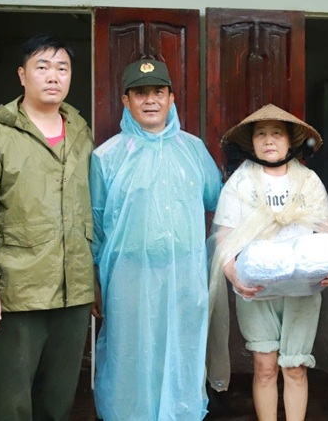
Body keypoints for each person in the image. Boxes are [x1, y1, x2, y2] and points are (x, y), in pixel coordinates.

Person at [0, 34, 95, 420]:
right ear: (22, 75)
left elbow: (93, 209)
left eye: (62, 68)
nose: (53, 76)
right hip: (16, 291)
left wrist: (94, 279)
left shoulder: (80, 132)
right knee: (14, 400)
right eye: (42, 67)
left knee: (59, 398)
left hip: (74, 290)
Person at [206, 104, 328, 421]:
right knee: (265, 367)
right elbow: (224, 237)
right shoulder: (240, 183)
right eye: (261, 134)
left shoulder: (307, 181)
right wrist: (232, 274)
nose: (269, 140)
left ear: (290, 141)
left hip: (303, 289)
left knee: (296, 367)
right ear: (252, 142)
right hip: (257, 289)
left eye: (277, 133)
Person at [90, 59, 222, 420]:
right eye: (140, 93)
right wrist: (93, 281)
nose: (150, 100)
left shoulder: (193, 150)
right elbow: (95, 225)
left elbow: (220, 201)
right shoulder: (106, 157)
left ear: (171, 98)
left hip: (184, 274)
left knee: (181, 349)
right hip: (128, 276)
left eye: (158, 92)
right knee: (129, 353)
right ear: (126, 100)